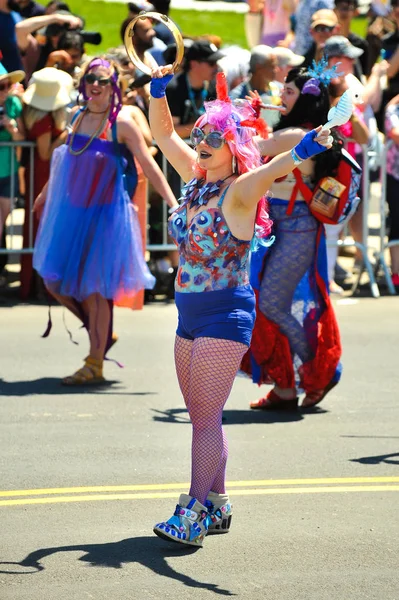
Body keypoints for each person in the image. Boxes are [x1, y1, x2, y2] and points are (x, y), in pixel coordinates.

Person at [148, 65, 332, 546]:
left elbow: (274, 169)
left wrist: (308, 147)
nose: (202, 142)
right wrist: (158, 88)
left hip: (224, 317)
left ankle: (192, 510)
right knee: (202, 418)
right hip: (187, 317)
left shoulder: (240, 189)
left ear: (234, 147)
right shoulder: (197, 179)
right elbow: (164, 133)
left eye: (214, 137)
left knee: (205, 419)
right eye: (202, 135)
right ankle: (219, 503)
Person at [33, 57, 178, 385]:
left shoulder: (122, 122)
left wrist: (173, 204)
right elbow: (65, 161)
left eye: (102, 80)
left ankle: (94, 361)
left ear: (115, 86)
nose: (94, 85)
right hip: (73, 212)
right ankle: (100, 336)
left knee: (96, 290)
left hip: (108, 217)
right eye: (89, 79)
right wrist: (44, 193)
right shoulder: (77, 116)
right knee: (54, 282)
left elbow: (150, 166)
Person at [241, 65, 344, 412]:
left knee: (269, 303)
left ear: (305, 100)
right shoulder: (294, 131)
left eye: (288, 92)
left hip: (296, 225)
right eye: (282, 90)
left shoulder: (295, 134)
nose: (280, 96)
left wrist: (240, 114)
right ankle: (285, 388)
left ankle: (320, 371)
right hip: (280, 224)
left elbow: (250, 147)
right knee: (266, 303)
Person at [20, 67, 72, 300]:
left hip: (44, 176)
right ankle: (40, 286)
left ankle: (37, 284)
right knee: (43, 228)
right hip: (44, 176)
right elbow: (44, 152)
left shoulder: (38, 116)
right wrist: (66, 135)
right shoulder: (43, 120)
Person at [0, 63, 25, 285]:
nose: (4, 90)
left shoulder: (13, 104)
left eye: (6, 85)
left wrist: (12, 129)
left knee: (3, 216)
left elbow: (23, 140)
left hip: (7, 170)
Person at [230, 45, 281, 130]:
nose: (276, 70)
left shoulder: (280, 90)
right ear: (259, 67)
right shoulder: (237, 97)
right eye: (272, 66)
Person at [384, 94, 399, 288]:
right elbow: (395, 133)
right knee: (397, 221)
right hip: (396, 176)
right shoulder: (393, 109)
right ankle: (397, 270)